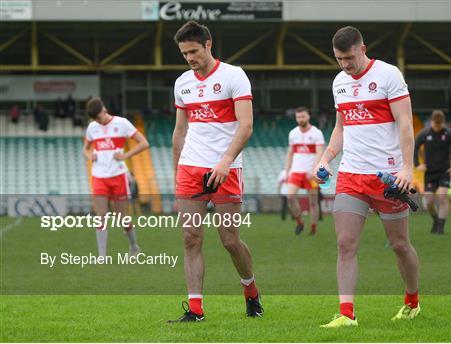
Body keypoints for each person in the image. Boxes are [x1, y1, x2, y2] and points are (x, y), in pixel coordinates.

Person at [313, 26, 420, 328]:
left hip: (388, 179)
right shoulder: (339, 82)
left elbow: (405, 124)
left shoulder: (389, 75)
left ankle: (412, 300)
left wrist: (407, 169)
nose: (344, 65)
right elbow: (341, 127)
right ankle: (347, 314)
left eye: (348, 58)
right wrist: (325, 158)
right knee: (345, 243)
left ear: (362, 49)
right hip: (351, 176)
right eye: (338, 59)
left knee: (400, 244)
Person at [168, 20, 263, 323]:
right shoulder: (183, 83)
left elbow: (246, 126)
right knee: (190, 237)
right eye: (184, 54)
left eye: (193, 51)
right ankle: (195, 309)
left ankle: (250, 290)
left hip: (227, 168)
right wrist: (176, 177)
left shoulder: (234, 76)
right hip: (190, 168)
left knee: (230, 240)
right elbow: (179, 132)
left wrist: (225, 160)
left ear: (208, 44)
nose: (189, 58)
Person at [83, 97, 149, 257]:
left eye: (99, 117)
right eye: (95, 119)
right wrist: (90, 155)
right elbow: (85, 148)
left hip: (118, 176)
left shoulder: (122, 123)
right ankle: (102, 256)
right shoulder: (92, 127)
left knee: (123, 219)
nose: (98, 121)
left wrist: (125, 154)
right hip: (99, 177)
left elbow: (144, 143)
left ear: (104, 110)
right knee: (101, 217)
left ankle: (133, 246)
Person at [414, 110, 451, 234]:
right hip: (430, 173)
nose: (437, 127)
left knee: (442, 197)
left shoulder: (449, 133)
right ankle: (436, 220)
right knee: (429, 202)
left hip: (444, 171)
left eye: (439, 124)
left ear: (443, 122)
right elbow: (414, 147)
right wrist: (417, 164)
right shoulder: (425, 134)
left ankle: (441, 228)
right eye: (435, 124)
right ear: (431, 122)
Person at [285, 107, 325, 235]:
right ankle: (299, 222)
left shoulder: (316, 133)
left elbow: (320, 152)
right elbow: (290, 153)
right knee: (290, 197)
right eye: (298, 117)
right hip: (296, 171)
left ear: (308, 116)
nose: (300, 119)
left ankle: (313, 227)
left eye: (303, 116)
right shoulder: (293, 133)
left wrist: (314, 170)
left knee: (313, 202)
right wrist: (287, 170)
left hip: (311, 174)